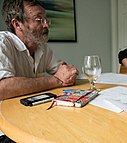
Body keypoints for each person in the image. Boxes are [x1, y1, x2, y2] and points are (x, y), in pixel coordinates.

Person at [0, 0, 78, 142]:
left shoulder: (42, 48)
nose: (46, 25)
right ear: (17, 24)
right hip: (7, 131)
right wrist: (56, 80)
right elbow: (2, 88)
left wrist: (68, 73)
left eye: (46, 19)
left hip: (35, 120)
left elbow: (62, 70)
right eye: (39, 20)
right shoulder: (2, 43)